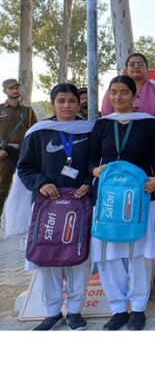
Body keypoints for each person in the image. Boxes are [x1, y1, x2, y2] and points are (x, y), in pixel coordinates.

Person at [89, 75, 155, 331]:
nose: (117, 97)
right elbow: (89, 160)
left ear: (135, 97)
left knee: (139, 253)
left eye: (124, 92)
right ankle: (119, 308)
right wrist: (95, 169)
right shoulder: (101, 125)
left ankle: (139, 309)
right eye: (113, 92)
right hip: (109, 197)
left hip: (141, 196)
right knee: (109, 255)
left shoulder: (149, 124)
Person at [14, 83, 93, 330]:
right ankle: (52, 312)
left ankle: (76, 311)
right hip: (47, 205)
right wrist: (41, 183)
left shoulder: (90, 131)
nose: (67, 105)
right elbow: (25, 167)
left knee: (79, 258)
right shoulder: (39, 132)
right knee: (48, 257)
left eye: (72, 101)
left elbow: (99, 164)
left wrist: (90, 184)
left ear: (79, 103)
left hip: (80, 204)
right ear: (53, 103)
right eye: (61, 101)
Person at [102, 52, 155, 138]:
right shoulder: (113, 90)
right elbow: (107, 114)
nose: (136, 66)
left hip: (151, 136)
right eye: (132, 64)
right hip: (119, 137)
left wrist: (151, 131)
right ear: (126, 69)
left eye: (140, 64)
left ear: (147, 69)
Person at [0, 78, 37, 216]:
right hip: (3, 155)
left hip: (23, 153)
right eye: (11, 88)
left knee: (26, 188)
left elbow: (34, 133)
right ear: (5, 91)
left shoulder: (28, 111)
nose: (15, 90)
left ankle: (27, 222)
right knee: (1, 190)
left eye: (17, 87)